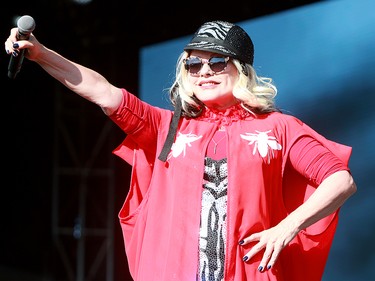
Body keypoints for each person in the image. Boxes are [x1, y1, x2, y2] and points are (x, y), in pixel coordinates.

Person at [5, 20, 357, 281]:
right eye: (194, 64)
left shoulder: (278, 128)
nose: (204, 71)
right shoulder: (166, 126)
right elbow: (102, 91)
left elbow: (340, 180)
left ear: (241, 70)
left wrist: (288, 226)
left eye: (217, 62)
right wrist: (40, 53)